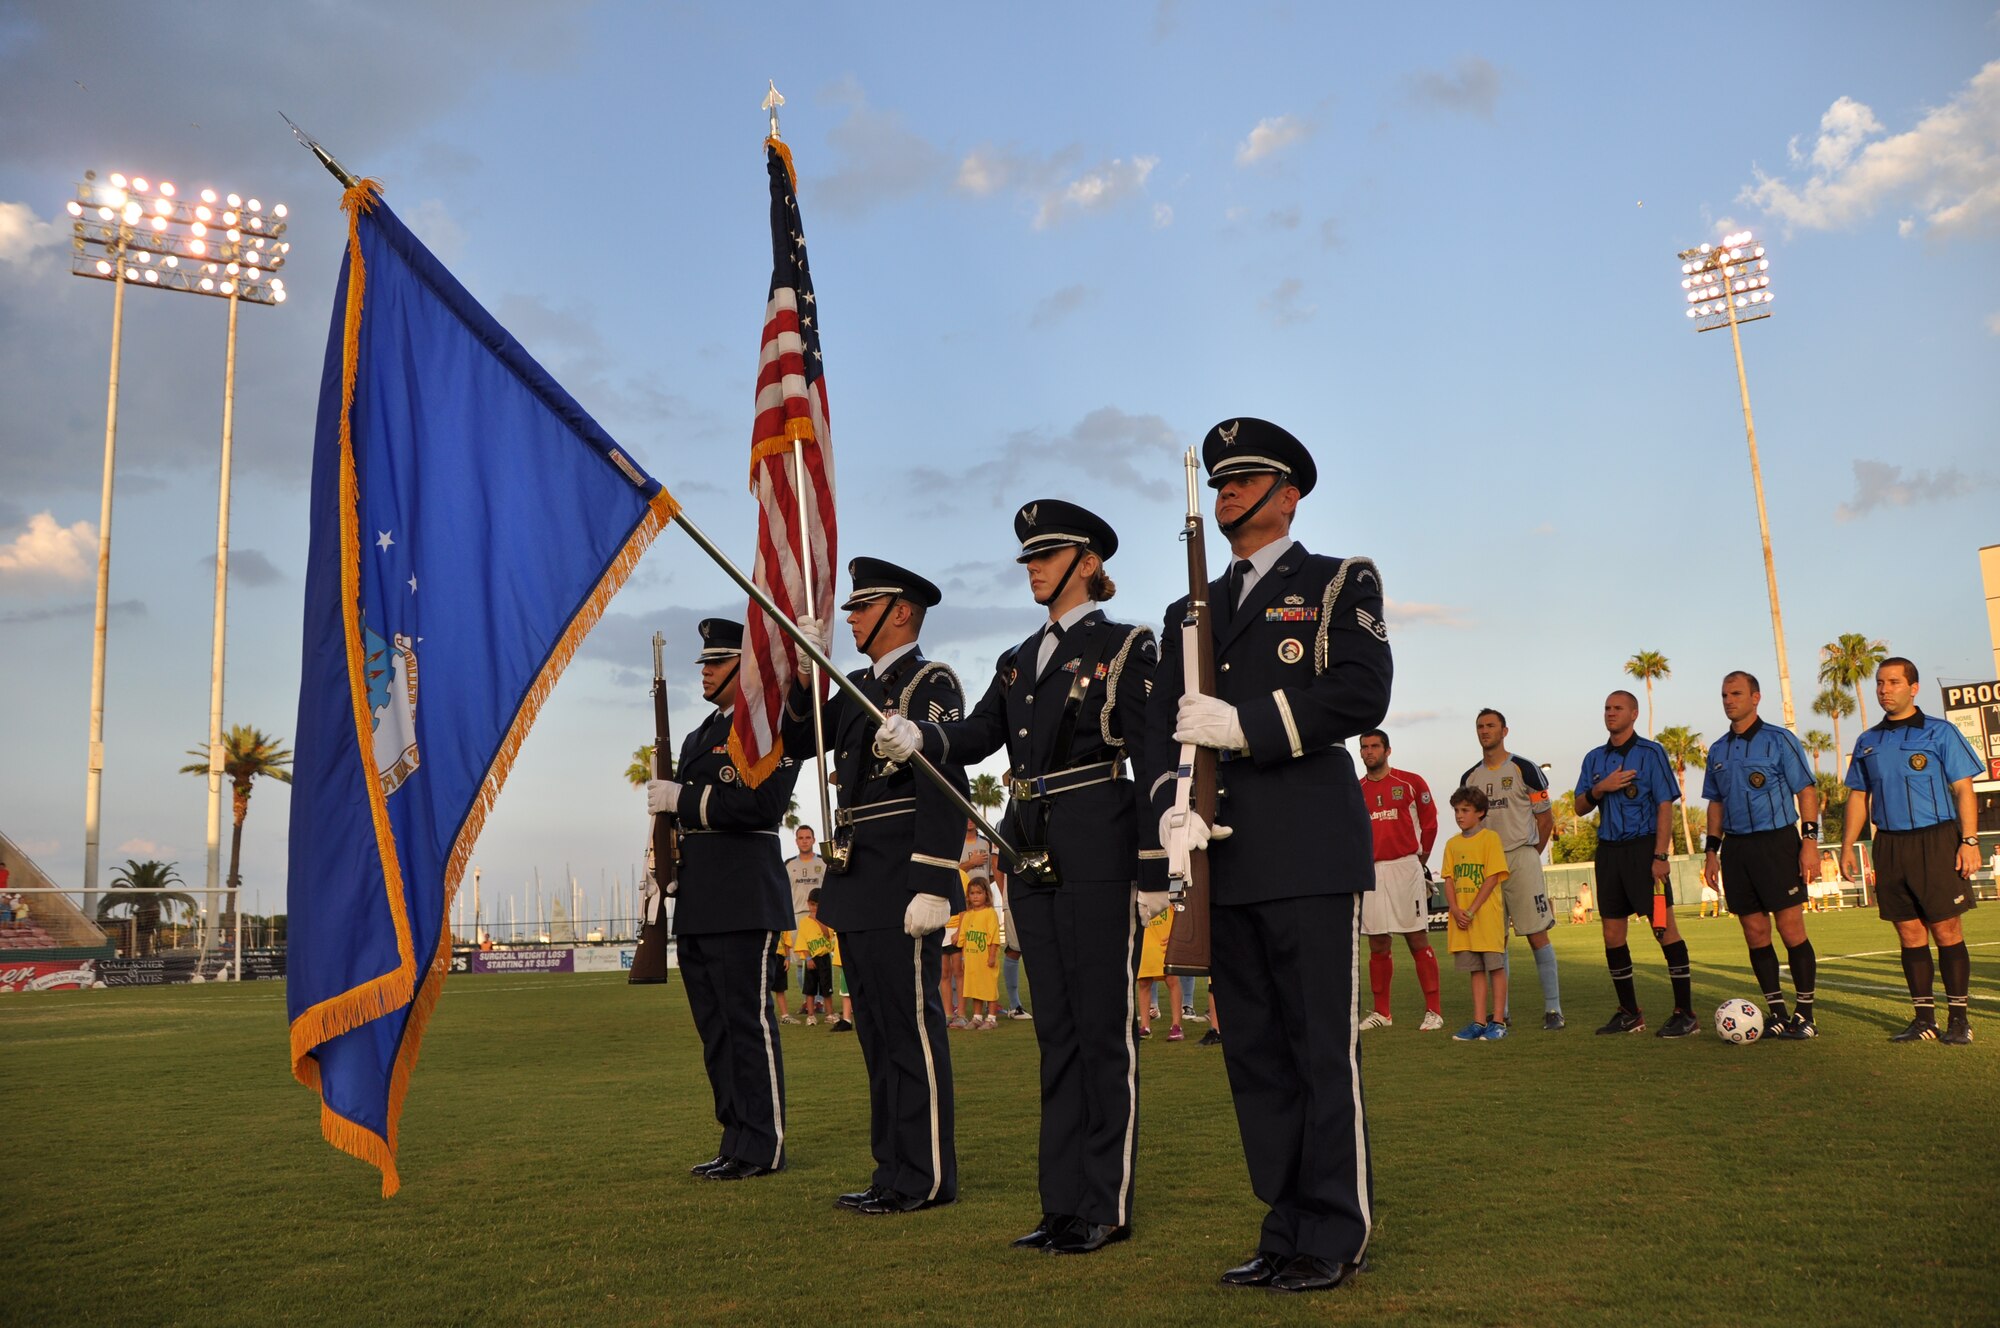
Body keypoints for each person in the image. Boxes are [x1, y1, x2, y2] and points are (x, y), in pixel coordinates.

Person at [1144, 418, 1390, 1293]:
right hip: (1225, 860)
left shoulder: (1334, 581)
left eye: (1247, 479)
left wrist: (1245, 726)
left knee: (1320, 1048)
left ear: (1289, 494)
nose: (1228, 492)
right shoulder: (1190, 608)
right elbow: (1164, 733)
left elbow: (1361, 689)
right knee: (1252, 1055)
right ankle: (1283, 1224)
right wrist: (1167, 817)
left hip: (1309, 851)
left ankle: (1334, 1229)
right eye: (1221, 481)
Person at [875, 499, 1157, 1256]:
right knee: (1056, 1032)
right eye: (1028, 556)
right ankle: (1060, 1203)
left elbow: (1155, 752)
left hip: (1098, 838)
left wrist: (1158, 862)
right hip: (1028, 846)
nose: (1032, 566)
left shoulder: (1128, 644)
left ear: (1088, 563)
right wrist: (922, 734)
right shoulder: (1015, 658)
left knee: (1102, 1031)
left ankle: (1105, 1203)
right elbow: (974, 736)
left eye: (1047, 554)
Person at [784, 558, 968, 1213]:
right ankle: (892, 1169)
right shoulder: (854, 684)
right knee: (877, 1033)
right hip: (859, 876)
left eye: (862, 607)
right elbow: (799, 737)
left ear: (900, 611)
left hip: (902, 876)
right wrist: (803, 673)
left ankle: (929, 1175)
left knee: (911, 1029)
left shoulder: (929, 681)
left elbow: (947, 784)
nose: (851, 617)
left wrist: (933, 881)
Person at [645, 618, 800, 1180]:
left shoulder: (769, 728)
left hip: (744, 898)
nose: (706, 672)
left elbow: (759, 808)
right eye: (704, 663)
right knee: (716, 1031)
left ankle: (765, 1143)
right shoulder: (695, 736)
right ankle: (735, 1139)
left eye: (716, 662)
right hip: (701, 901)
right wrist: (663, 868)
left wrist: (683, 798)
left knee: (748, 1026)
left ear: (746, 666)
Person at [1838, 658, 1983, 1045]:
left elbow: (1964, 789)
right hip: (1889, 843)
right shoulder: (1867, 740)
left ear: (1913, 687)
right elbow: (1857, 796)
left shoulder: (1939, 733)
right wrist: (1848, 844)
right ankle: (1924, 1020)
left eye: (1894, 682)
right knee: (1908, 932)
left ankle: (1958, 1020)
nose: (1885, 690)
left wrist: (1969, 841)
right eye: (1880, 683)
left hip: (1935, 840)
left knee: (1946, 928)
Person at [1701, 670, 1822, 1040]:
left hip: (1777, 843)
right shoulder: (1718, 750)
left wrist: (1810, 842)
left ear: (1756, 697)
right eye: (1724, 694)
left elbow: (1806, 791)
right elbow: (1715, 804)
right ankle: (1777, 1013)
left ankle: (1805, 1015)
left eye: (1736, 693)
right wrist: (1711, 851)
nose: (1728, 700)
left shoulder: (1779, 741)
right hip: (1737, 849)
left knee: (1790, 928)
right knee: (1754, 932)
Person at [1574, 690, 1698, 1038]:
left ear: (1634, 713)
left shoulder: (1651, 753)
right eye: (1607, 708)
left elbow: (1664, 805)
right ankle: (1630, 1013)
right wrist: (1601, 789)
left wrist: (1660, 856)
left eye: (1618, 708)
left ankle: (1685, 1013)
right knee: (1612, 935)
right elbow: (1579, 806)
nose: (1611, 713)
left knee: (1664, 929)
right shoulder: (1594, 758)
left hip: (1644, 851)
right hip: (1609, 852)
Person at [1458, 710, 1563, 1029]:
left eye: (1490, 725)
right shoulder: (1470, 777)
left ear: (1505, 731)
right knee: (1493, 941)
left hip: (1520, 857)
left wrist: (1532, 853)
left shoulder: (1524, 768)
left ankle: (1553, 1009)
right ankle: (1501, 1013)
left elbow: (1545, 817)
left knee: (1536, 935)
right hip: (1488, 864)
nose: (1484, 731)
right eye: (1480, 726)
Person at [1355, 730, 1443, 1032]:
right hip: (1373, 870)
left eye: (1374, 746)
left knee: (1416, 937)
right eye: (1364, 747)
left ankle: (1434, 1010)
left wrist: (1421, 859)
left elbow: (1430, 822)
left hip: (1406, 866)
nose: (1369, 752)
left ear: (1387, 750)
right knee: (1378, 942)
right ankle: (1382, 1012)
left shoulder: (1410, 782)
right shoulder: (1356, 789)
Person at [1441, 787, 1510, 1041]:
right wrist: (1455, 909)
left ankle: (1499, 1021)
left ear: (1480, 813)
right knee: (1476, 969)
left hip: (1486, 918)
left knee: (1495, 967)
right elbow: (1448, 879)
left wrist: (1471, 909)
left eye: (1465, 810)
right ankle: (1479, 1021)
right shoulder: (1452, 844)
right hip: (1463, 921)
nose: (1459, 815)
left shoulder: (1490, 839)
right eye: (1457, 810)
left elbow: (1492, 878)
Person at [787, 826, 827, 1005]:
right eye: (801, 838)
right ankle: (808, 1001)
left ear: (813, 840)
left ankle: (820, 999)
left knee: (821, 958)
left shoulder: (823, 863)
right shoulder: (789, 865)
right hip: (797, 916)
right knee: (801, 961)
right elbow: (783, 892)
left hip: (820, 917)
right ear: (796, 841)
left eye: (808, 837)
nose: (804, 840)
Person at [958, 879, 1002, 1029]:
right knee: (975, 988)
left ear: (986, 894)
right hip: (972, 959)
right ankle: (977, 1017)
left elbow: (994, 937)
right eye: (972, 893)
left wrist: (991, 956)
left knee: (989, 988)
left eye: (979, 893)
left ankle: (991, 1018)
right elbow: (963, 938)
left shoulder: (990, 914)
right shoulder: (968, 915)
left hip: (986, 959)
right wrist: (964, 957)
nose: (975, 896)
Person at [1136, 903, 1181, 1040]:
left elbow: (1182, 910)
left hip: (1166, 937)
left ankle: (1176, 1026)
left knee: (1171, 978)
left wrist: (1177, 933)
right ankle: (1145, 1027)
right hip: (1146, 937)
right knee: (1143, 982)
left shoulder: (1171, 887)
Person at [796, 889, 836, 1027]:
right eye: (812, 905)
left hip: (824, 957)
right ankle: (811, 1016)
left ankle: (829, 1015)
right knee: (810, 989)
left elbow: (827, 934)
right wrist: (808, 959)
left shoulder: (827, 919)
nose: (814, 908)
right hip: (811, 959)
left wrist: (819, 920)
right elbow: (802, 942)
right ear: (808, 904)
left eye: (818, 905)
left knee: (826, 988)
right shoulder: (804, 922)